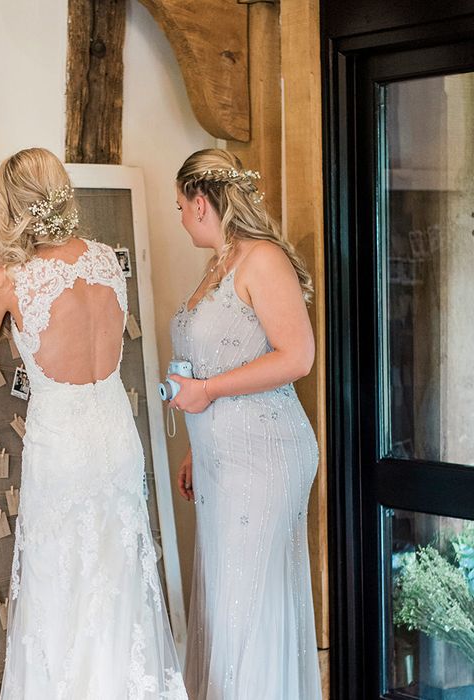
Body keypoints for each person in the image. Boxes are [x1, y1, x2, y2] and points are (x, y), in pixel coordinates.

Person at [0, 147, 186, 699]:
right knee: (117, 584)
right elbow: (38, 265)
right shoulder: (106, 259)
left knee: (59, 585)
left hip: (63, 448)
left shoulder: (8, 285)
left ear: (10, 207)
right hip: (115, 439)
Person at [168, 149, 321, 699]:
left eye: (180, 205)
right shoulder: (218, 265)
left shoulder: (262, 260)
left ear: (202, 203)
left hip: (265, 453)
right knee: (226, 598)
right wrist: (195, 448)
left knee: (246, 601)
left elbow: (296, 356)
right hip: (219, 457)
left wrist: (205, 392)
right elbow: (219, 357)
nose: (180, 216)